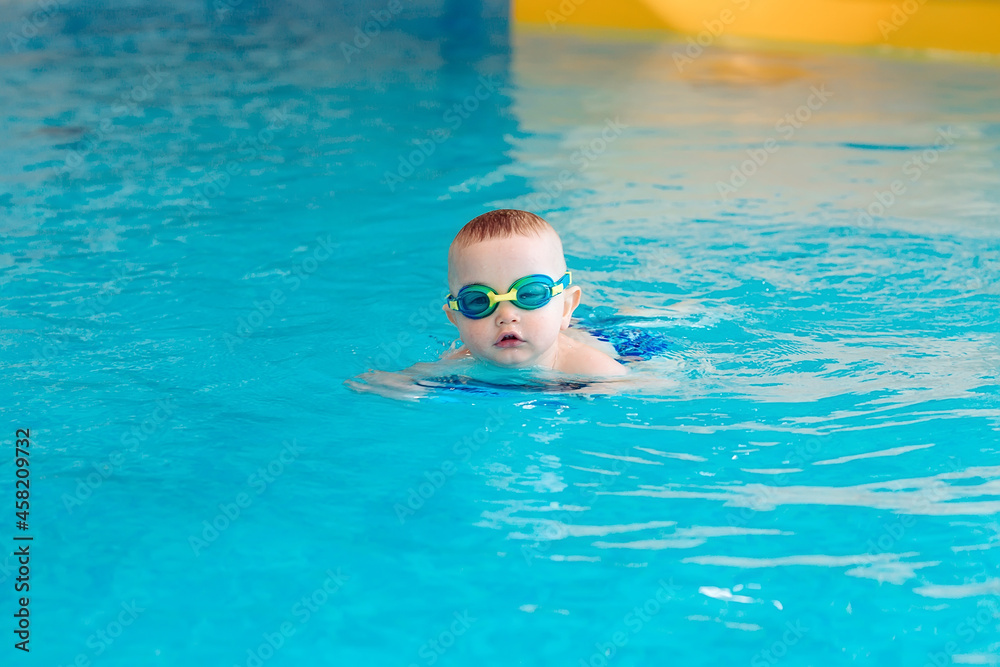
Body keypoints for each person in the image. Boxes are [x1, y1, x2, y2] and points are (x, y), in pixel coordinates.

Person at [439, 209, 627, 376]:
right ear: (455, 319)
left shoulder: (598, 373)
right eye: (479, 301)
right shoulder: (455, 366)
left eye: (529, 294)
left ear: (566, 308)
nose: (506, 316)